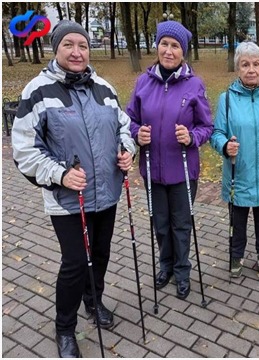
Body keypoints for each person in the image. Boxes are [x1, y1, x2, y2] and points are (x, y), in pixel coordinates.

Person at [11, 20, 135, 358]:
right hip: (68, 199)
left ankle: (93, 303)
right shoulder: (38, 91)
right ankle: (64, 328)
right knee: (76, 262)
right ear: (57, 49)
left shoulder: (104, 87)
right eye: (69, 45)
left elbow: (123, 126)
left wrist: (127, 151)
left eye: (82, 45)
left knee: (101, 254)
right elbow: (23, 148)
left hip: (106, 193)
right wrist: (60, 174)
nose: (77, 52)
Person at [126, 21, 213, 300]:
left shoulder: (194, 84)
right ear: (157, 46)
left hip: (183, 171)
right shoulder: (144, 81)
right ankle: (166, 266)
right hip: (152, 169)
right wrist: (138, 133)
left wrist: (191, 136)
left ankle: (183, 270)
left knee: (181, 224)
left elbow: (206, 127)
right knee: (159, 223)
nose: (168, 50)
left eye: (175, 46)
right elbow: (129, 120)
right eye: (164, 43)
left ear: (183, 52)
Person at [210, 42, 259, 279]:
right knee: (238, 220)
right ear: (238, 69)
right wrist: (225, 145)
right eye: (245, 64)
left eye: (256, 64)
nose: (251, 69)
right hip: (239, 173)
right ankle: (236, 255)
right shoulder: (226, 99)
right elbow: (216, 133)